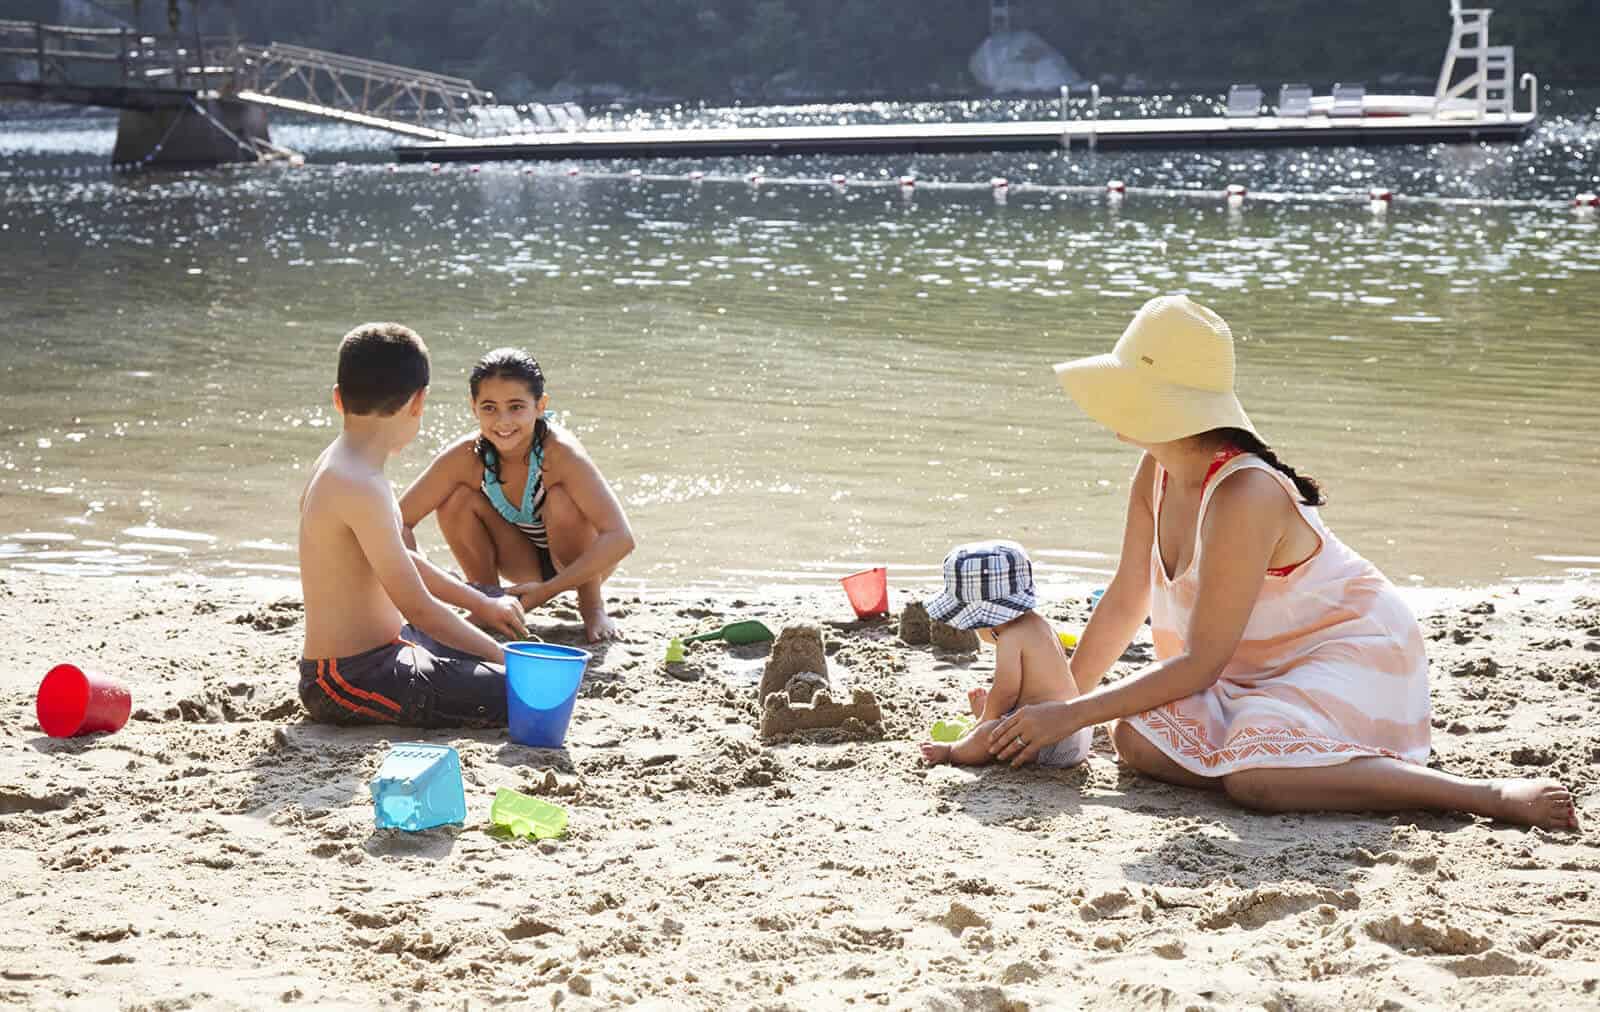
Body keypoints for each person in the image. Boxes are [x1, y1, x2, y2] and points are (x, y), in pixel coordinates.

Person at [988, 294, 1578, 831]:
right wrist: (1059, 708)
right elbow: (1125, 599)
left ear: (1165, 405)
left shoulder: (1246, 493)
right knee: (1135, 739)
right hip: (1250, 671)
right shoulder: (1157, 471)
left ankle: (1480, 794)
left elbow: (1199, 664)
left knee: (1255, 781)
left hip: (1345, 652)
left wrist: (1066, 716)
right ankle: (1297, 767)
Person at [298, 323, 528, 727]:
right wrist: (508, 661)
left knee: (487, 607)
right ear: (419, 402)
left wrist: (482, 604)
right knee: (515, 692)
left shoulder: (348, 464)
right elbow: (419, 607)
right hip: (350, 678)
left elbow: (400, 559)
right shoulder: (359, 484)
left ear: (338, 398)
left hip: (389, 649)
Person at [399, 348, 633, 644]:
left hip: (582, 564)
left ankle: (592, 606)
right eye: (489, 407)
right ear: (473, 407)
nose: (503, 421)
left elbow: (621, 537)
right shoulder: (466, 456)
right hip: (523, 562)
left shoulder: (559, 453)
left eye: (516, 406)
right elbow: (397, 523)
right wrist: (422, 593)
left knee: (561, 500)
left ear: (540, 405)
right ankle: (487, 601)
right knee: (456, 499)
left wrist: (547, 592)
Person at [918, 540, 1092, 769]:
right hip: (1075, 730)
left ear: (984, 618)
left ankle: (953, 751)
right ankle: (988, 716)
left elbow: (1006, 693)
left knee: (989, 734)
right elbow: (1030, 692)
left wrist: (985, 720)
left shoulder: (1011, 638)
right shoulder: (1040, 625)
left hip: (1052, 741)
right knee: (1003, 713)